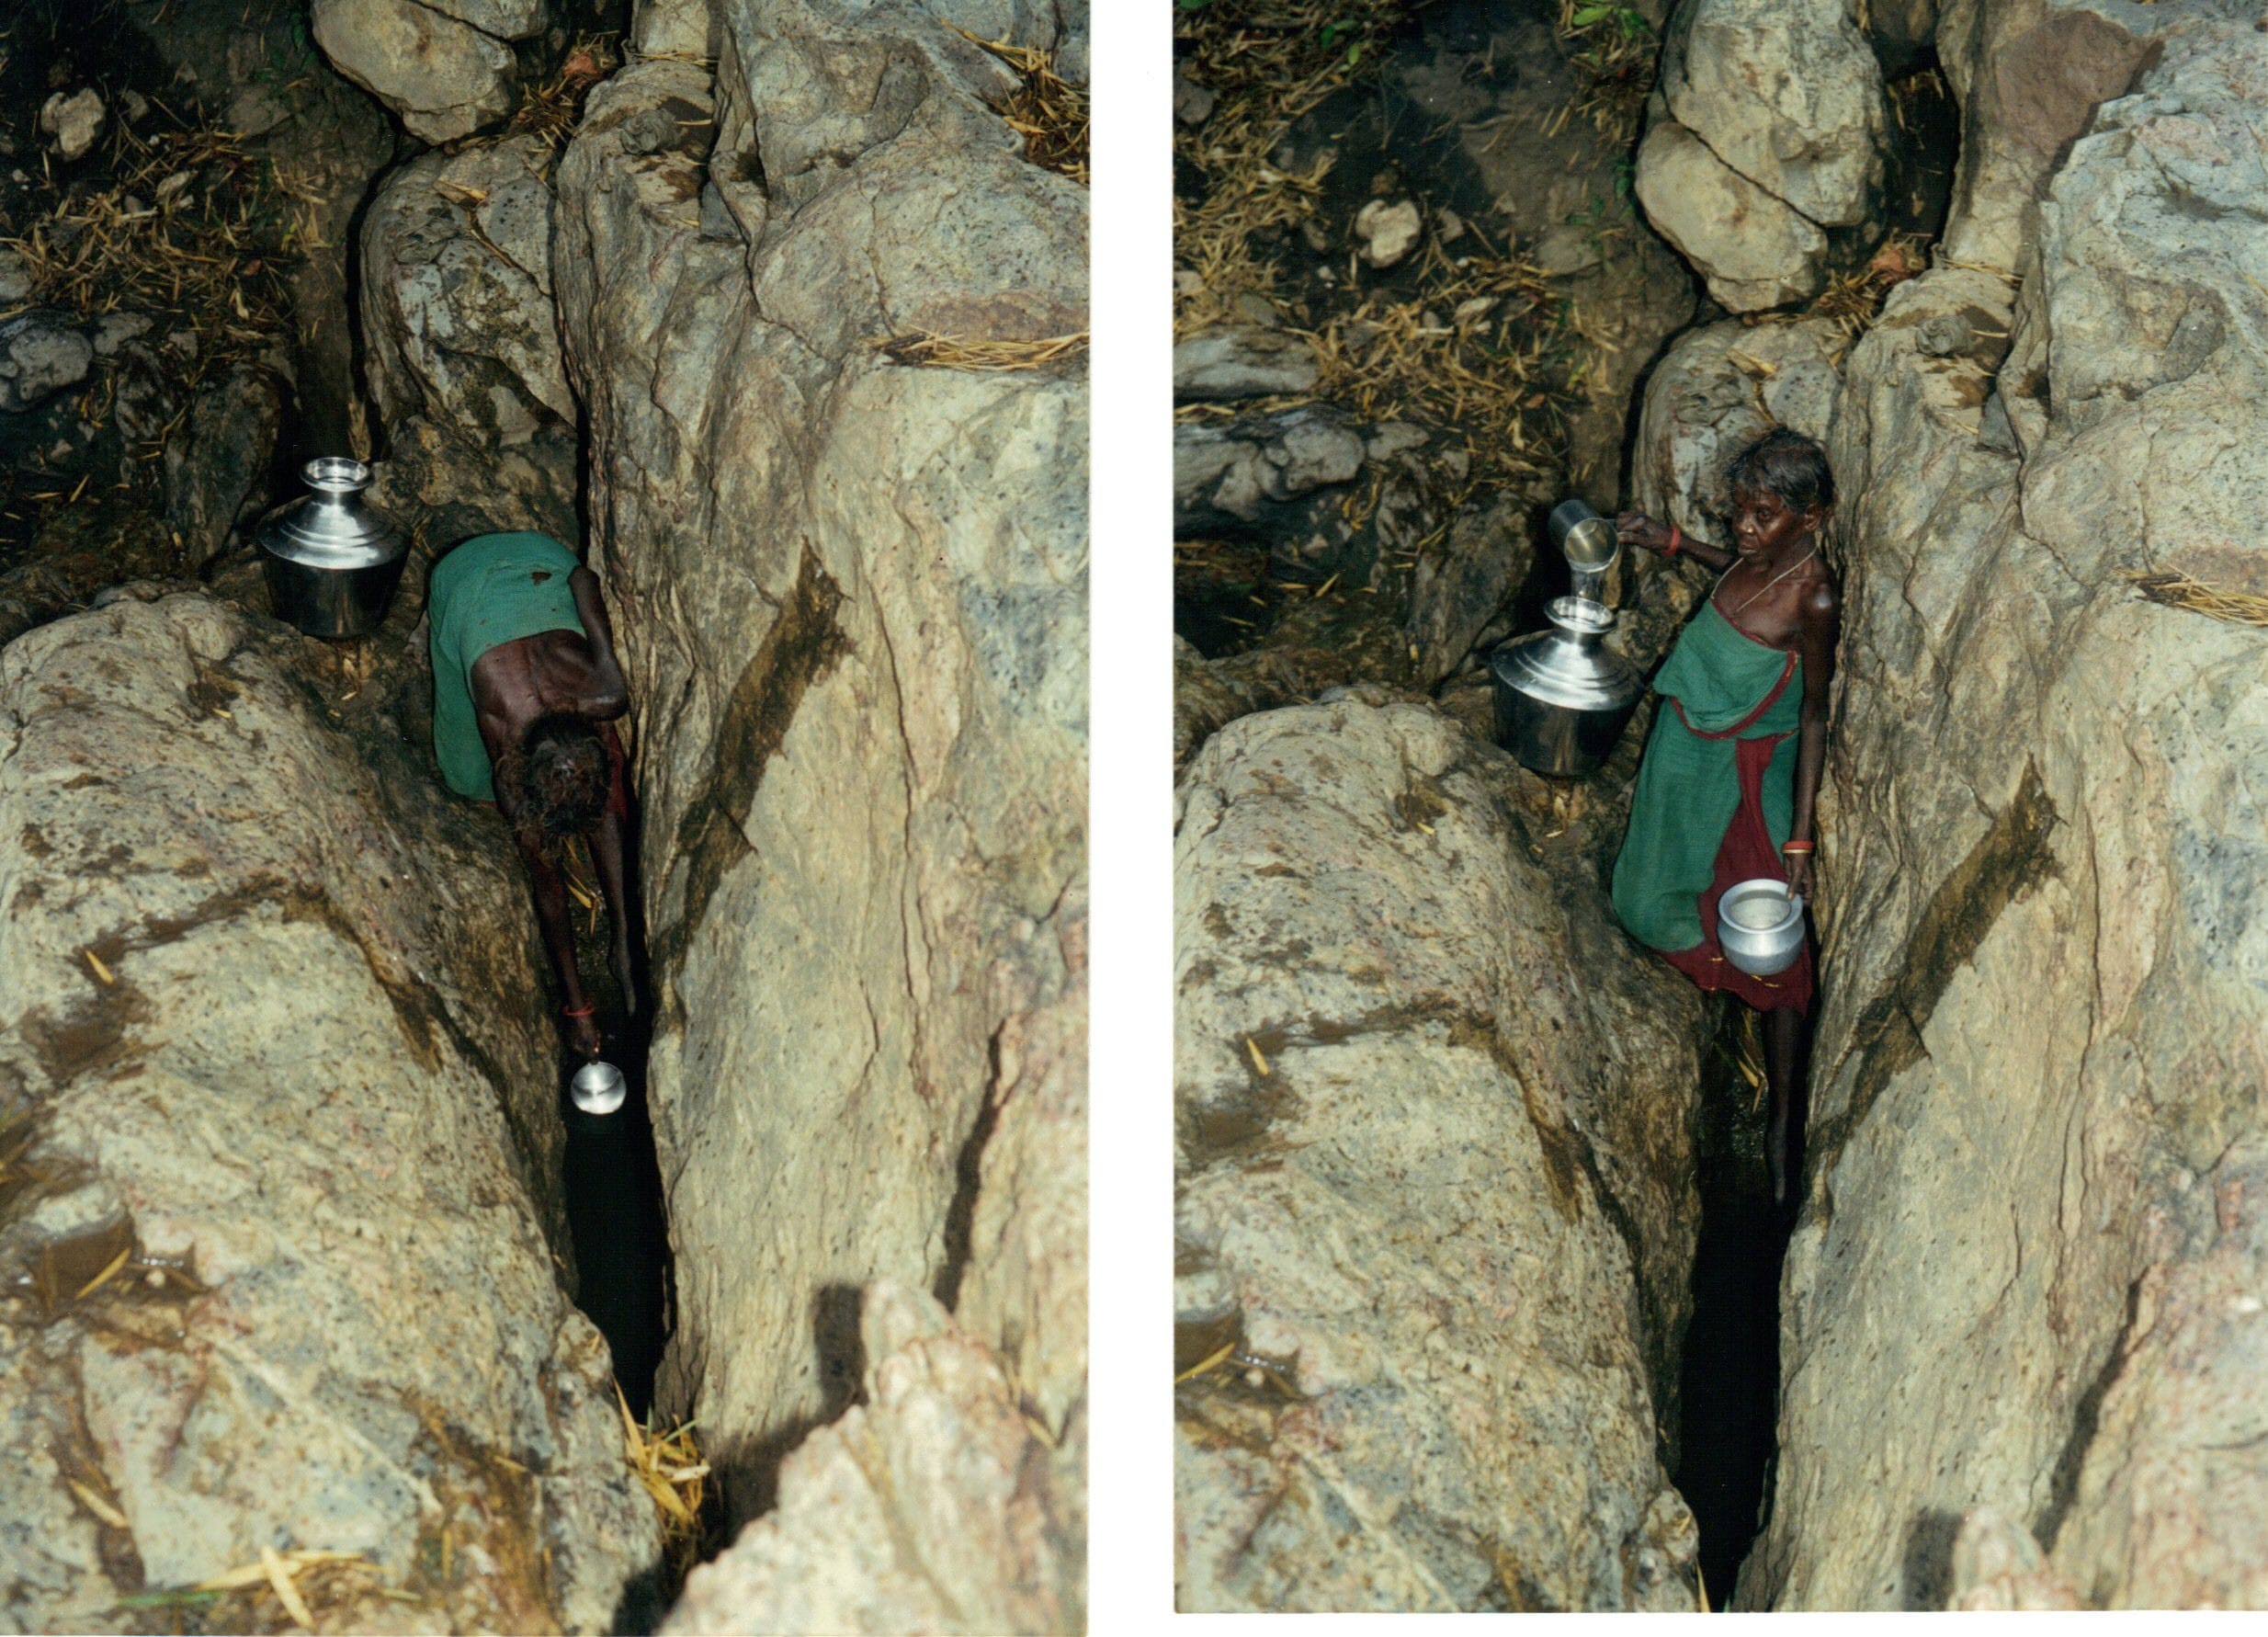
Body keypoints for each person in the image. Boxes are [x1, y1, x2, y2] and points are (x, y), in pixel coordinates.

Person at [1610, 427, 1841, 1205]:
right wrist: (1673, 542)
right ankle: (1720, 989)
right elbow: (1741, 571)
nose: (1743, 527)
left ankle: (1782, 1116)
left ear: (1811, 518)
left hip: (1752, 758)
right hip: (1690, 744)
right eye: (1738, 509)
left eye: (1762, 514)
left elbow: (1813, 714)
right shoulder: (1759, 554)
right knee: (1647, 898)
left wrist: (1799, 836)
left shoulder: (1814, 596)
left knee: (1774, 922)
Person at [424, 530, 640, 1061]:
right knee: (464, 775)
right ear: (517, 769)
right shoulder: (503, 729)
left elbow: (582, 579)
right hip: (462, 582)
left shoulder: (607, 696)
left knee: (600, 792)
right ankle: (623, 938)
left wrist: (626, 944)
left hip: (538, 559)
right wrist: (576, 1007)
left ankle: (626, 941)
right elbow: (548, 890)